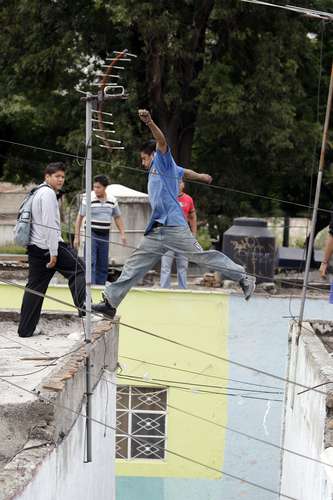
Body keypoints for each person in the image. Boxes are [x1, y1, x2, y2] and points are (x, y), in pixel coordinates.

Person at [92, 109, 255, 319]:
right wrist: (202, 177)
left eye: (144, 159)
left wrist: (150, 122)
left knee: (202, 257)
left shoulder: (162, 160)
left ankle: (244, 277)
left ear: (152, 155)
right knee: (134, 265)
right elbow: (184, 171)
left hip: (175, 227)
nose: (142, 163)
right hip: (156, 232)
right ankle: (110, 303)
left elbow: (161, 141)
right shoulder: (165, 169)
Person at [18, 162, 86, 337]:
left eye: (63, 177)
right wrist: (54, 253)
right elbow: (49, 225)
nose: (61, 180)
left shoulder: (37, 192)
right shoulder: (48, 194)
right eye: (57, 176)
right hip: (48, 247)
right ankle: (86, 312)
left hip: (35, 248)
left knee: (34, 288)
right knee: (79, 268)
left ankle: (26, 329)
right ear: (47, 176)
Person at [74, 174, 127, 285]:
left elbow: (117, 217)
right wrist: (77, 236)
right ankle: (90, 287)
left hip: (105, 234)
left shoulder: (112, 200)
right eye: (94, 187)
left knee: (103, 263)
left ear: (105, 187)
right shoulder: (88, 198)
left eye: (98, 187)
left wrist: (123, 234)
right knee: (90, 262)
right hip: (91, 234)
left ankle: (100, 287)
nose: (96, 189)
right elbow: (80, 217)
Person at [160, 179, 196, 288]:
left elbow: (193, 217)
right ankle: (164, 290)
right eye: (175, 182)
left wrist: (193, 234)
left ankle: (183, 290)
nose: (178, 184)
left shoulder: (188, 199)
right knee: (166, 265)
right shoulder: (167, 197)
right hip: (169, 235)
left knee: (183, 265)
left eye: (180, 182)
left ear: (183, 185)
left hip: (183, 236)